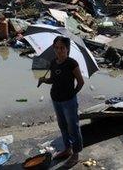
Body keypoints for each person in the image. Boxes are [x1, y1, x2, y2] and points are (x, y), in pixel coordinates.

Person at [38, 36, 85, 168]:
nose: (59, 50)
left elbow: (81, 82)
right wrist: (44, 80)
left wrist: (72, 94)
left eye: (62, 48)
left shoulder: (72, 63)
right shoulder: (53, 62)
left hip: (69, 101)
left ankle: (75, 154)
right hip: (56, 99)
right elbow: (53, 79)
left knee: (73, 127)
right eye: (56, 48)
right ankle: (67, 149)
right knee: (62, 125)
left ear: (67, 49)